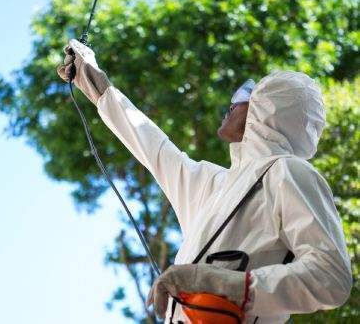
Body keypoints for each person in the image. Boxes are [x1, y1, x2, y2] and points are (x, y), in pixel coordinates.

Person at [57, 39, 352, 323]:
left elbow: (330, 277)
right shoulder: (215, 185)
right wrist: (89, 76)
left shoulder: (287, 172)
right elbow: (151, 144)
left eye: (242, 98)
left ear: (267, 111)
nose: (231, 105)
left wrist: (216, 282)